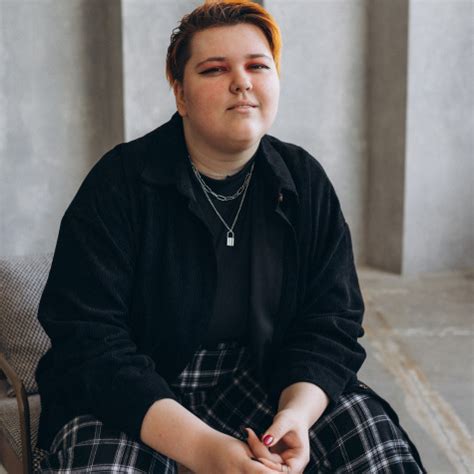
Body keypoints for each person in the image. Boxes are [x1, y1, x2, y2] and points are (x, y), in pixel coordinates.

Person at [35, 1, 426, 472]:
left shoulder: (303, 180)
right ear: (180, 94)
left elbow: (331, 322)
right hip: (138, 393)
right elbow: (90, 344)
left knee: (374, 443)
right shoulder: (119, 183)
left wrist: (295, 417)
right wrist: (205, 450)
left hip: (262, 380)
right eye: (214, 69)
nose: (242, 82)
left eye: (257, 66)